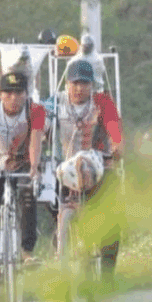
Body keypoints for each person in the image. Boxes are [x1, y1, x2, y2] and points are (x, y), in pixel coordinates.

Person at [44, 58, 123, 277]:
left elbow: (114, 129)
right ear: (66, 84)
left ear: (92, 85)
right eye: (75, 83)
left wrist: (117, 145)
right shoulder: (55, 102)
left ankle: (107, 275)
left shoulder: (102, 102)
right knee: (43, 195)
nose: (79, 88)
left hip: (98, 164)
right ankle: (62, 241)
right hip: (64, 168)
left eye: (84, 83)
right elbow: (41, 123)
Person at [0, 71, 46, 300]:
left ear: (26, 94)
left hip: (23, 164)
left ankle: (26, 252)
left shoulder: (35, 110)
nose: (13, 98)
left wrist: (34, 167)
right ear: (0, 94)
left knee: (27, 194)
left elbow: (35, 140)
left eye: (18, 93)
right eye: (8, 93)